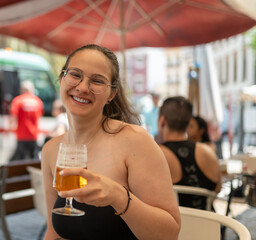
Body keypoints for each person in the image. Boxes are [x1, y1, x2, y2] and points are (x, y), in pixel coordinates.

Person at [41, 44, 180, 240]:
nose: (82, 87)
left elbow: (169, 234)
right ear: (62, 78)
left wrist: (119, 196)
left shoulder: (134, 140)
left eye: (97, 81)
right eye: (75, 75)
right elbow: (54, 231)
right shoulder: (51, 149)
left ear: (111, 94)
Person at [158, 96, 221, 210]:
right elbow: (218, 188)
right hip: (209, 223)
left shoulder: (158, 154)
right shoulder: (208, 152)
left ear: (162, 121)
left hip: (176, 226)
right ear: (188, 123)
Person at [9, 81, 44, 160]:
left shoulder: (17, 100)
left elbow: (13, 117)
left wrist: (9, 129)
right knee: (33, 157)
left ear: (22, 90)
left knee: (20, 158)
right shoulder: (38, 101)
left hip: (21, 134)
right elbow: (39, 117)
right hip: (33, 135)